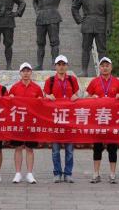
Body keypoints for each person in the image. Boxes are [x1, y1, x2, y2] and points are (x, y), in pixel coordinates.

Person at [86, 57, 119, 183]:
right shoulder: (94, 82)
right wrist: (92, 97)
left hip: (112, 120)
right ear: (99, 68)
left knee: (112, 147)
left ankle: (112, 174)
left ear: (111, 67)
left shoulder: (117, 82)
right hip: (98, 120)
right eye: (102, 66)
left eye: (107, 65)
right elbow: (87, 99)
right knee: (97, 147)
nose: (105, 68)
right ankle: (96, 173)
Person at [43, 55, 79, 183]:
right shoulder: (50, 80)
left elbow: (77, 94)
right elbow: (45, 95)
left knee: (69, 149)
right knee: (55, 149)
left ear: (67, 66)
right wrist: (48, 97)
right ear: (55, 66)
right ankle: (57, 173)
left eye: (64, 64)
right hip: (55, 119)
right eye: (59, 64)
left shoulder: (72, 80)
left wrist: (76, 96)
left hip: (69, 119)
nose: (61, 67)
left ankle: (68, 173)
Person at [9, 62, 44, 184]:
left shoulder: (37, 88)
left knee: (29, 148)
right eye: (23, 71)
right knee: (18, 148)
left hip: (31, 122)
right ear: (20, 73)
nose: (26, 73)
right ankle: (18, 173)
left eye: (28, 71)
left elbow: (41, 104)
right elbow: (8, 104)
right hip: (18, 122)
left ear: (31, 73)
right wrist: (10, 98)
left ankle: (29, 173)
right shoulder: (14, 87)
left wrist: (40, 100)